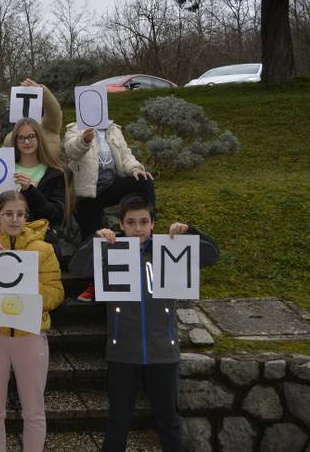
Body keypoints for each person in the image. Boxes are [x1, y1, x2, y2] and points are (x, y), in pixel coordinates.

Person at [68, 193, 221, 452]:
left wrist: (190, 233)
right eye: (131, 222)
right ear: (121, 224)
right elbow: (77, 267)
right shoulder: (112, 250)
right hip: (123, 352)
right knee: (118, 421)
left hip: (162, 351)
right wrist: (95, 240)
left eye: (143, 222)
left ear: (152, 224)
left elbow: (211, 255)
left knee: (168, 421)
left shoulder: (170, 250)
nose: (138, 228)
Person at [0, 190, 64, 452]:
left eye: (20, 214)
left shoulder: (43, 249)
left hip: (29, 335)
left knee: (33, 409)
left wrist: (28, 289)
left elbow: (56, 293)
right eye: (8, 213)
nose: (15, 219)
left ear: (26, 216)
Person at [63, 120, 155, 302]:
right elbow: (71, 151)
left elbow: (125, 155)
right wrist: (84, 139)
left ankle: (151, 230)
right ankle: (95, 283)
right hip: (88, 191)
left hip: (112, 184)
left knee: (144, 180)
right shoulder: (74, 128)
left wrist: (135, 168)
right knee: (93, 230)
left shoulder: (113, 128)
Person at [2, 78, 63, 159]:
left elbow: (54, 112)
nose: (27, 142)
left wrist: (42, 92)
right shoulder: (10, 138)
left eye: (31, 136)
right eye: (21, 138)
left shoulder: (48, 128)